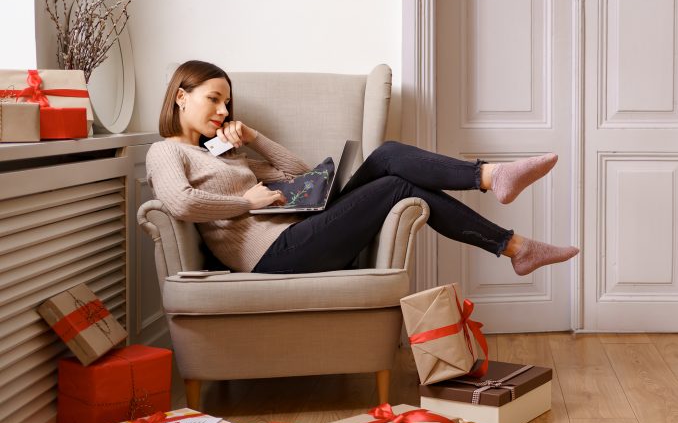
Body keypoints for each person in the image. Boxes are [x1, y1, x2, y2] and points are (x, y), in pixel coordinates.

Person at [146, 60, 579, 276]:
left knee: (388, 154)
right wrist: (244, 201)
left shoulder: (224, 153)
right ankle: (505, 221)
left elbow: (302, 172)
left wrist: (254, 137)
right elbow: (181, 203)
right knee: (394, 186)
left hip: (300, 233)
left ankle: (504, 217)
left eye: (227, 102)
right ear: (181, 97)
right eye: (213, 99)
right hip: (272, 255)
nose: (223, 110)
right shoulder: (166, 152)